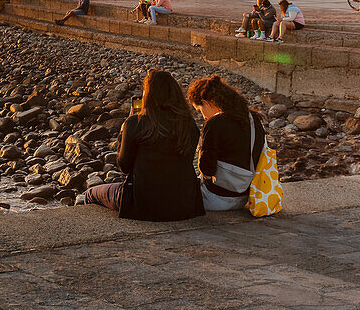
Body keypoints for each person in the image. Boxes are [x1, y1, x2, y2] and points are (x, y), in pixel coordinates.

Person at [83, 70, 204, 221]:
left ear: (148, 95)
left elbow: (124, 166)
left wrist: (124, 128)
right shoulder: (189, 125)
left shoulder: (136, 122)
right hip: (184, 205)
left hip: (144, 205)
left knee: (90, 193)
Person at [185, 75, 265, 212]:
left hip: (215, 198)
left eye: (200, 109)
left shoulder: (215, 123)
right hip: (243, 198)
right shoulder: (254, 120)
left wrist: (201, 147)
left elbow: (207, 169)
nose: (202, 116)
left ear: (207, 102)